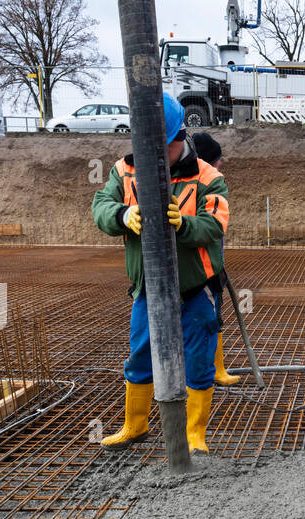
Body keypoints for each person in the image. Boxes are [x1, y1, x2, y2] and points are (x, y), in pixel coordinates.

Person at [92, 93, 230, 454]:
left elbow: (215, 225)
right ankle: (135, 426)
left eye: (163, 147)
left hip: (194, 289)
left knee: (199, 360)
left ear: (180, 137)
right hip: (147, 290)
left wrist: (184, 225)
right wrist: (123, 215)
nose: (155, 156)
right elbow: (101, 206)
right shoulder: (124, 170)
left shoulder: (208, 177)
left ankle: (194, 434)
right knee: (140, 356)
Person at [190, 131, 241, 387]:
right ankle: (203, 373)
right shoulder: (196, 184)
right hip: (198, 270)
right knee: (200, 322)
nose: (220, 163)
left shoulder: (213, 183)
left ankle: (217, 370)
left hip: (212, 267)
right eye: (216, 159)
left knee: (213, 320)